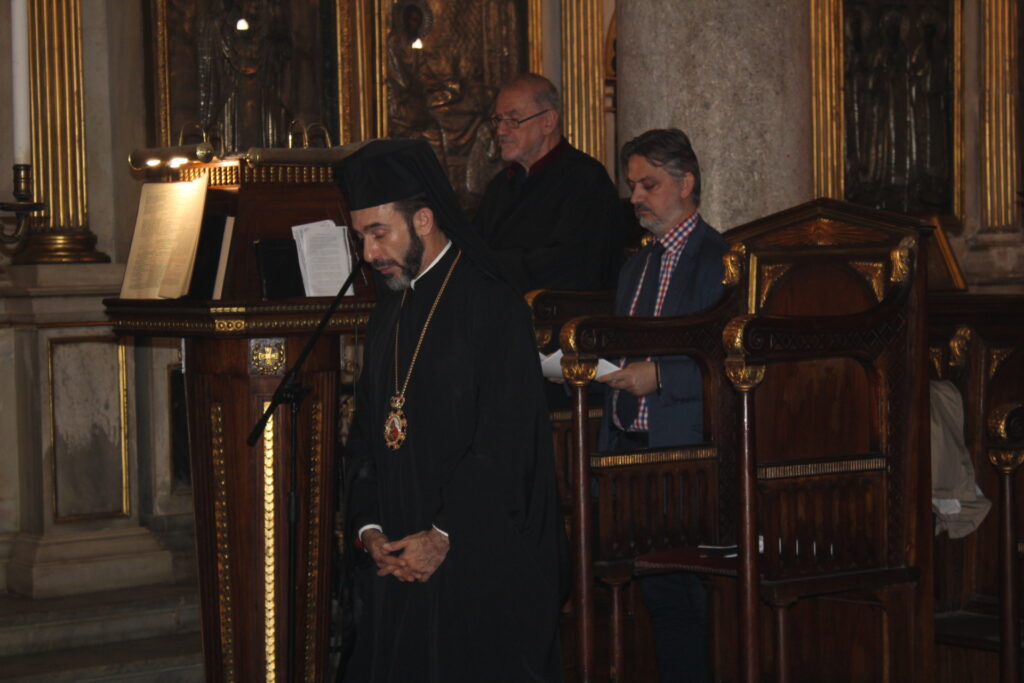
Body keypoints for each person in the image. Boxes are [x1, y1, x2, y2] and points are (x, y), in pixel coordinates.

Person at [335, 139, 567, 683]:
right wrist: (371, 530)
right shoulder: (388, 312)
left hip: (474, 559)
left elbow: (505, 443)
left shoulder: (492, 304)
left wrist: (442, 535)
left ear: (423, 219)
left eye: (378, 233)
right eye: (360, 237)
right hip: (398, 562)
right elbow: (367, 435)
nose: (368, 253)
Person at [596, 128, 728, 683]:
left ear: (686, 183)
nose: (636, 198)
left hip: (687, 456)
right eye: (632, 186)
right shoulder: (636, 267)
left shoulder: (721, 260)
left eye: (648, 185)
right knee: (656, 595)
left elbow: (734, 361)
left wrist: (661, 376)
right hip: (631, 455)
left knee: (690, 596)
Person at [474, 73, 623, 293]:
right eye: (498, 120)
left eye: (513, 120)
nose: (501, 131)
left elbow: (571, 265)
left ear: (548, 122)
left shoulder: (586, 180)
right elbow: (476, 248)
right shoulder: (500, 186)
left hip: (555, 308)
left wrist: (494, 267)